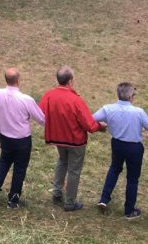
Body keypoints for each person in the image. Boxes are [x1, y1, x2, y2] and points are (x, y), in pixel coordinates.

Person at [38, 66, 105, 211]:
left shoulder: (48, 95)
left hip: (57, 138)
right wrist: (100, 126)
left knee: (62, 161)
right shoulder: (76, 100)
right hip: (75, 141)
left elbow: (40, 114)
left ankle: (57, 193)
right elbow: (89, 124)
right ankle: (70, 202)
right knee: (74, 170)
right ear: (70, 81)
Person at [0, 68, 45, 208]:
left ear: (6, 80)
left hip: (4, 136)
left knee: (4, 160)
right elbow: (43, 120)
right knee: (20, 168)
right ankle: (13, 199)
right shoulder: (26, 100)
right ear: (18, 81)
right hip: (22, 140)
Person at [93, 82, 148, 220]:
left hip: (117, 144)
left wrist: (100, 125)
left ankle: (104, 199)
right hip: (134, 148)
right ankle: (129, 210)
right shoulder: (138, 112)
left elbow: (90, 119)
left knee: (114, 169)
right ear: (130, 97)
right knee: (132, 178)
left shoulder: (108, 109)